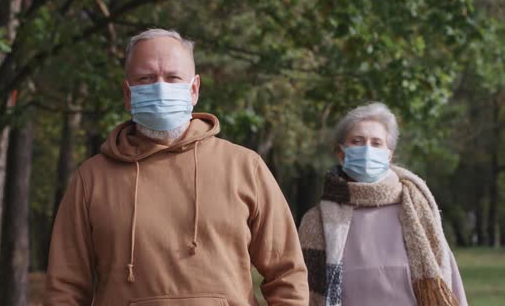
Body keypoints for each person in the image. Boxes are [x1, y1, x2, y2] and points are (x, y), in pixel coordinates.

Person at [44, 28, 309, 305]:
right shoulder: (92, 178)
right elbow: (65, 289)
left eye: (173, 77)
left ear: (193, 89)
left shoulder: (245, 167)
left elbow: (287, 275)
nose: (160, 87)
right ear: (127, 93)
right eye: (146, 78)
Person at [298, 102, 467, 306]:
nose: (367, 150)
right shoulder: (315, 221)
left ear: (389, 155)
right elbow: (302, 291)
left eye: (376, 143)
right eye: (357, 141)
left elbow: (447, 283)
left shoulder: (417, 209)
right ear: (341, 153)